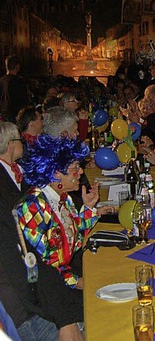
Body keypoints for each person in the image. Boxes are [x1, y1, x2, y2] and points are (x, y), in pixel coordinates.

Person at [0, 123, 84, 340]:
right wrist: (65, 317)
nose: (81, 172)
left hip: (37, 305)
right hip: (26, 318)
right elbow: (41, 261)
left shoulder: (53, 199)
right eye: (75, 167)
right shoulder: (31, 204)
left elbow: (35, 259)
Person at [16, 135, 101, 288]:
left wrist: (88, 208)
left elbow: (74, 240)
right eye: (75, 167)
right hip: (49, 289)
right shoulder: (32, 208)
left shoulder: (63, 199)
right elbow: (44, 264)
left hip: (65, 276)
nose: (81, 171)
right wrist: (77, 282)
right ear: (56, 173)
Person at [0, 55, 29, 123]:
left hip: (3, 116)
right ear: (17, 66)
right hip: (15, 116)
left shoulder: (1, 81)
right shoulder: (19, 82)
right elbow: (23, 100)